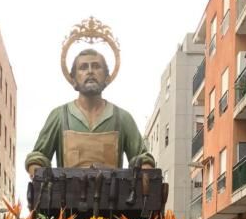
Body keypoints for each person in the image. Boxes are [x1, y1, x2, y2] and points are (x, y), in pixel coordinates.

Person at [25, 48, 154, 175]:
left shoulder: (123, 118)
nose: (90, 71)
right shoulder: (59, 116)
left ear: (106, 77)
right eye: (83, 67)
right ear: (74, 78)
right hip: (68, 194)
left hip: (111, 195)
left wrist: (145, 166)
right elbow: (39, 156)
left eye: (96, 66)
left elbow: (141, 157)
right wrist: (35, 167)